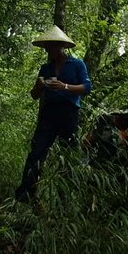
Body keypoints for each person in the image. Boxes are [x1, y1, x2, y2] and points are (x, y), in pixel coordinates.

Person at [14, 25, 92, 201]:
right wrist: (39, 87)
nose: (49, 51)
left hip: (69, 113)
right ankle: (25, 196)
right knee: (37, 152)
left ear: (61, 46)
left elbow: (87, 87)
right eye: (47, 48)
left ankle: (66, 198)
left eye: (52, 47)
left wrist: (64, 86)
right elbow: (34, 95)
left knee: (69, 154)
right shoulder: (45, 68)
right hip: (48, 114)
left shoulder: (77, 64)